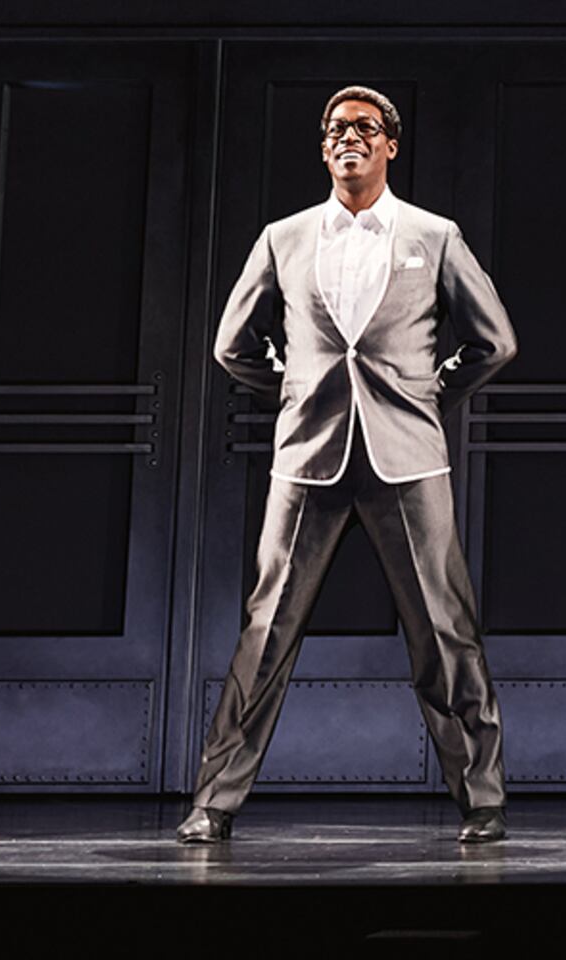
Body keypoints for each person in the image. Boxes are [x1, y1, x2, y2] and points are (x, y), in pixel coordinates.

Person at [178, 85, 518, 845]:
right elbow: (233, 344)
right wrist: (298, 388)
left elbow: (494, 340)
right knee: (265, 632)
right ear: (323, 147)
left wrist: (428, 392)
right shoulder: (285, 237)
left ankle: (482, 799)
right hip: (308, 459)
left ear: (391, 147)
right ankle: (213, 802)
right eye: (336, 129)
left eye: (365, 128)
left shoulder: (433, 234)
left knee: (445, 630)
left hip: (408, 459)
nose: (349, 138)